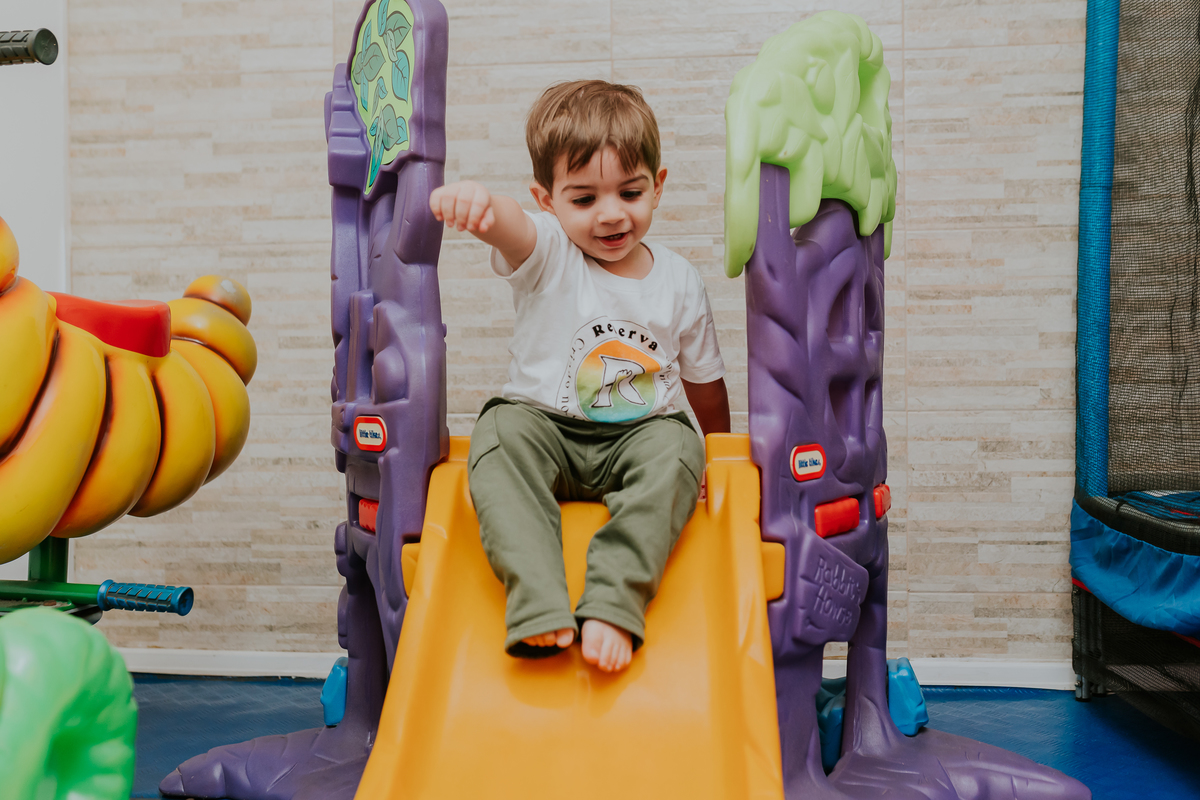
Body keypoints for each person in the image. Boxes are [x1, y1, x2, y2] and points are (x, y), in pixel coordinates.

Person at [429, 80, 730, 674]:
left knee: (677, 448)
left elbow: (704, 383)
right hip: (545, 430)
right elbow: (511, 227)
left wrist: (715, 456)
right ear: (549, 200)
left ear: (658, 185)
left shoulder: (679, 281)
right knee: (498, 434)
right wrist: (483, 208)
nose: (612, 214)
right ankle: (538, 602)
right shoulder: (548, 252)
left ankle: (615, 604)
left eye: (630, 191)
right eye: (584, 198)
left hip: (640, 436)